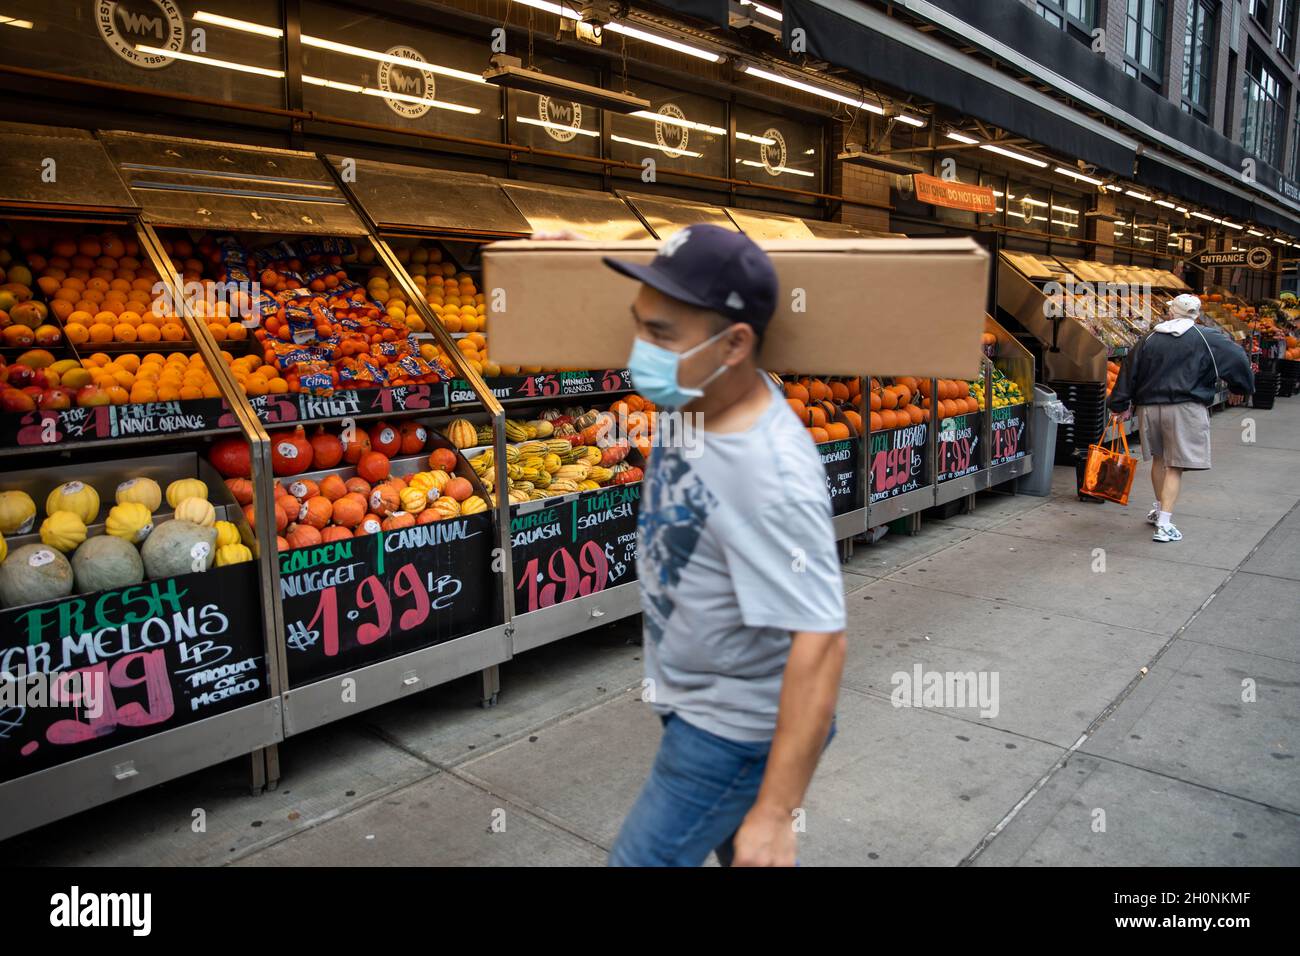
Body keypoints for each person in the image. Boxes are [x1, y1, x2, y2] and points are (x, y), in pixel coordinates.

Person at [599, 224, 847, 867]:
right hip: (694, 698)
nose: (639, 351)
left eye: (659, 335)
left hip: (736, 729)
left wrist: (775, 810)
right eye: (640, 325)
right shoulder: (696, 392)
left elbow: (821, 640)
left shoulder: (769, 473)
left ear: (735, 343)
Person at [1108, 292, 1253, 543]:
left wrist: (1119, 403)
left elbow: (1129, 370)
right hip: (1185, 407)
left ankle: (1158, 509)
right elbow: (1238, 358)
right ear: (1196, 315)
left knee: (1158, 459)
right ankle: (1164, 524)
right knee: (1175, 466)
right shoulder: (1206, 337)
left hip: (1149, 407)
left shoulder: (1150, 338)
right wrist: (1240, 388)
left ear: (1171, 311)